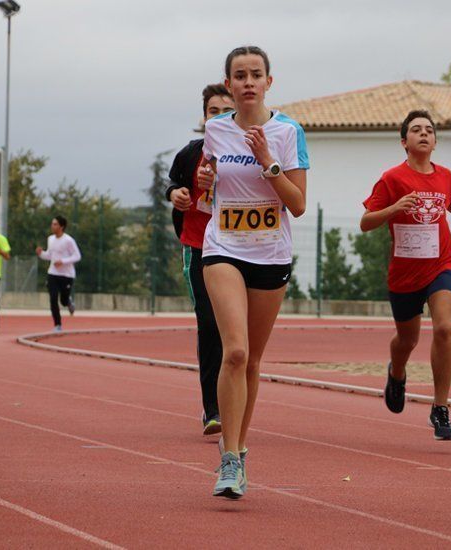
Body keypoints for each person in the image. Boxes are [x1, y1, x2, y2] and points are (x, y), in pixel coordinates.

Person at [200, 46, 308, 499]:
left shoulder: (288, 131)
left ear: (268, 82)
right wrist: (202, 187)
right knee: (237, 352)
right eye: (239, 75)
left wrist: (269, 162)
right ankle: (228, 456)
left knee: (255, 360)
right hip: (223, 247)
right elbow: (210, 195)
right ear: (229, 84)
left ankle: (240, 450)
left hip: (271, 255)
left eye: (255, 74)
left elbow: (298, 205)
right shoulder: (215, 130)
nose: (247, 82)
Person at [360, 110, 451, 441]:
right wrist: (393, 209)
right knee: (407, 340)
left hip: (441, 263)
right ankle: (396, 373)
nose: (423, 134)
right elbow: (366, 221)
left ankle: (440, 407)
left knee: (444, 327)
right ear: (404, 141)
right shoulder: (392, 178)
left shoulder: (445, 176)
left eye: (429, 130)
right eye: (416, 130)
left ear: (435, 141)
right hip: (405, 272)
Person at [165, 83, 235, 436]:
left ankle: (235, 399)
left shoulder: (249, 154)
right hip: (199, 247)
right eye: (214, 112)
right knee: (209, 325)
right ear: (204, 117)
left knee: (236, 331)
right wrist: (177, 194)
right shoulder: (191, 154)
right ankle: (213, 408)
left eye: (227, 111)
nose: (220, 118)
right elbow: (175, 184)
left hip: (238, 248)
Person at [36, 216, 82, 332]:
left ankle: (68, 301)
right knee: (53, 298)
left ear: (61, 227)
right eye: (52, 224)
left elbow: (77, 256)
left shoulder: (68, 240)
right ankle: (57, 324)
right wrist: (41, 254)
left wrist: (63, 261)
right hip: (53, 273)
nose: (52, 226)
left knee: (63, 300)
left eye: (55, 224)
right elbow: (50, 255)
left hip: (66, 275)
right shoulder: (50, 239)